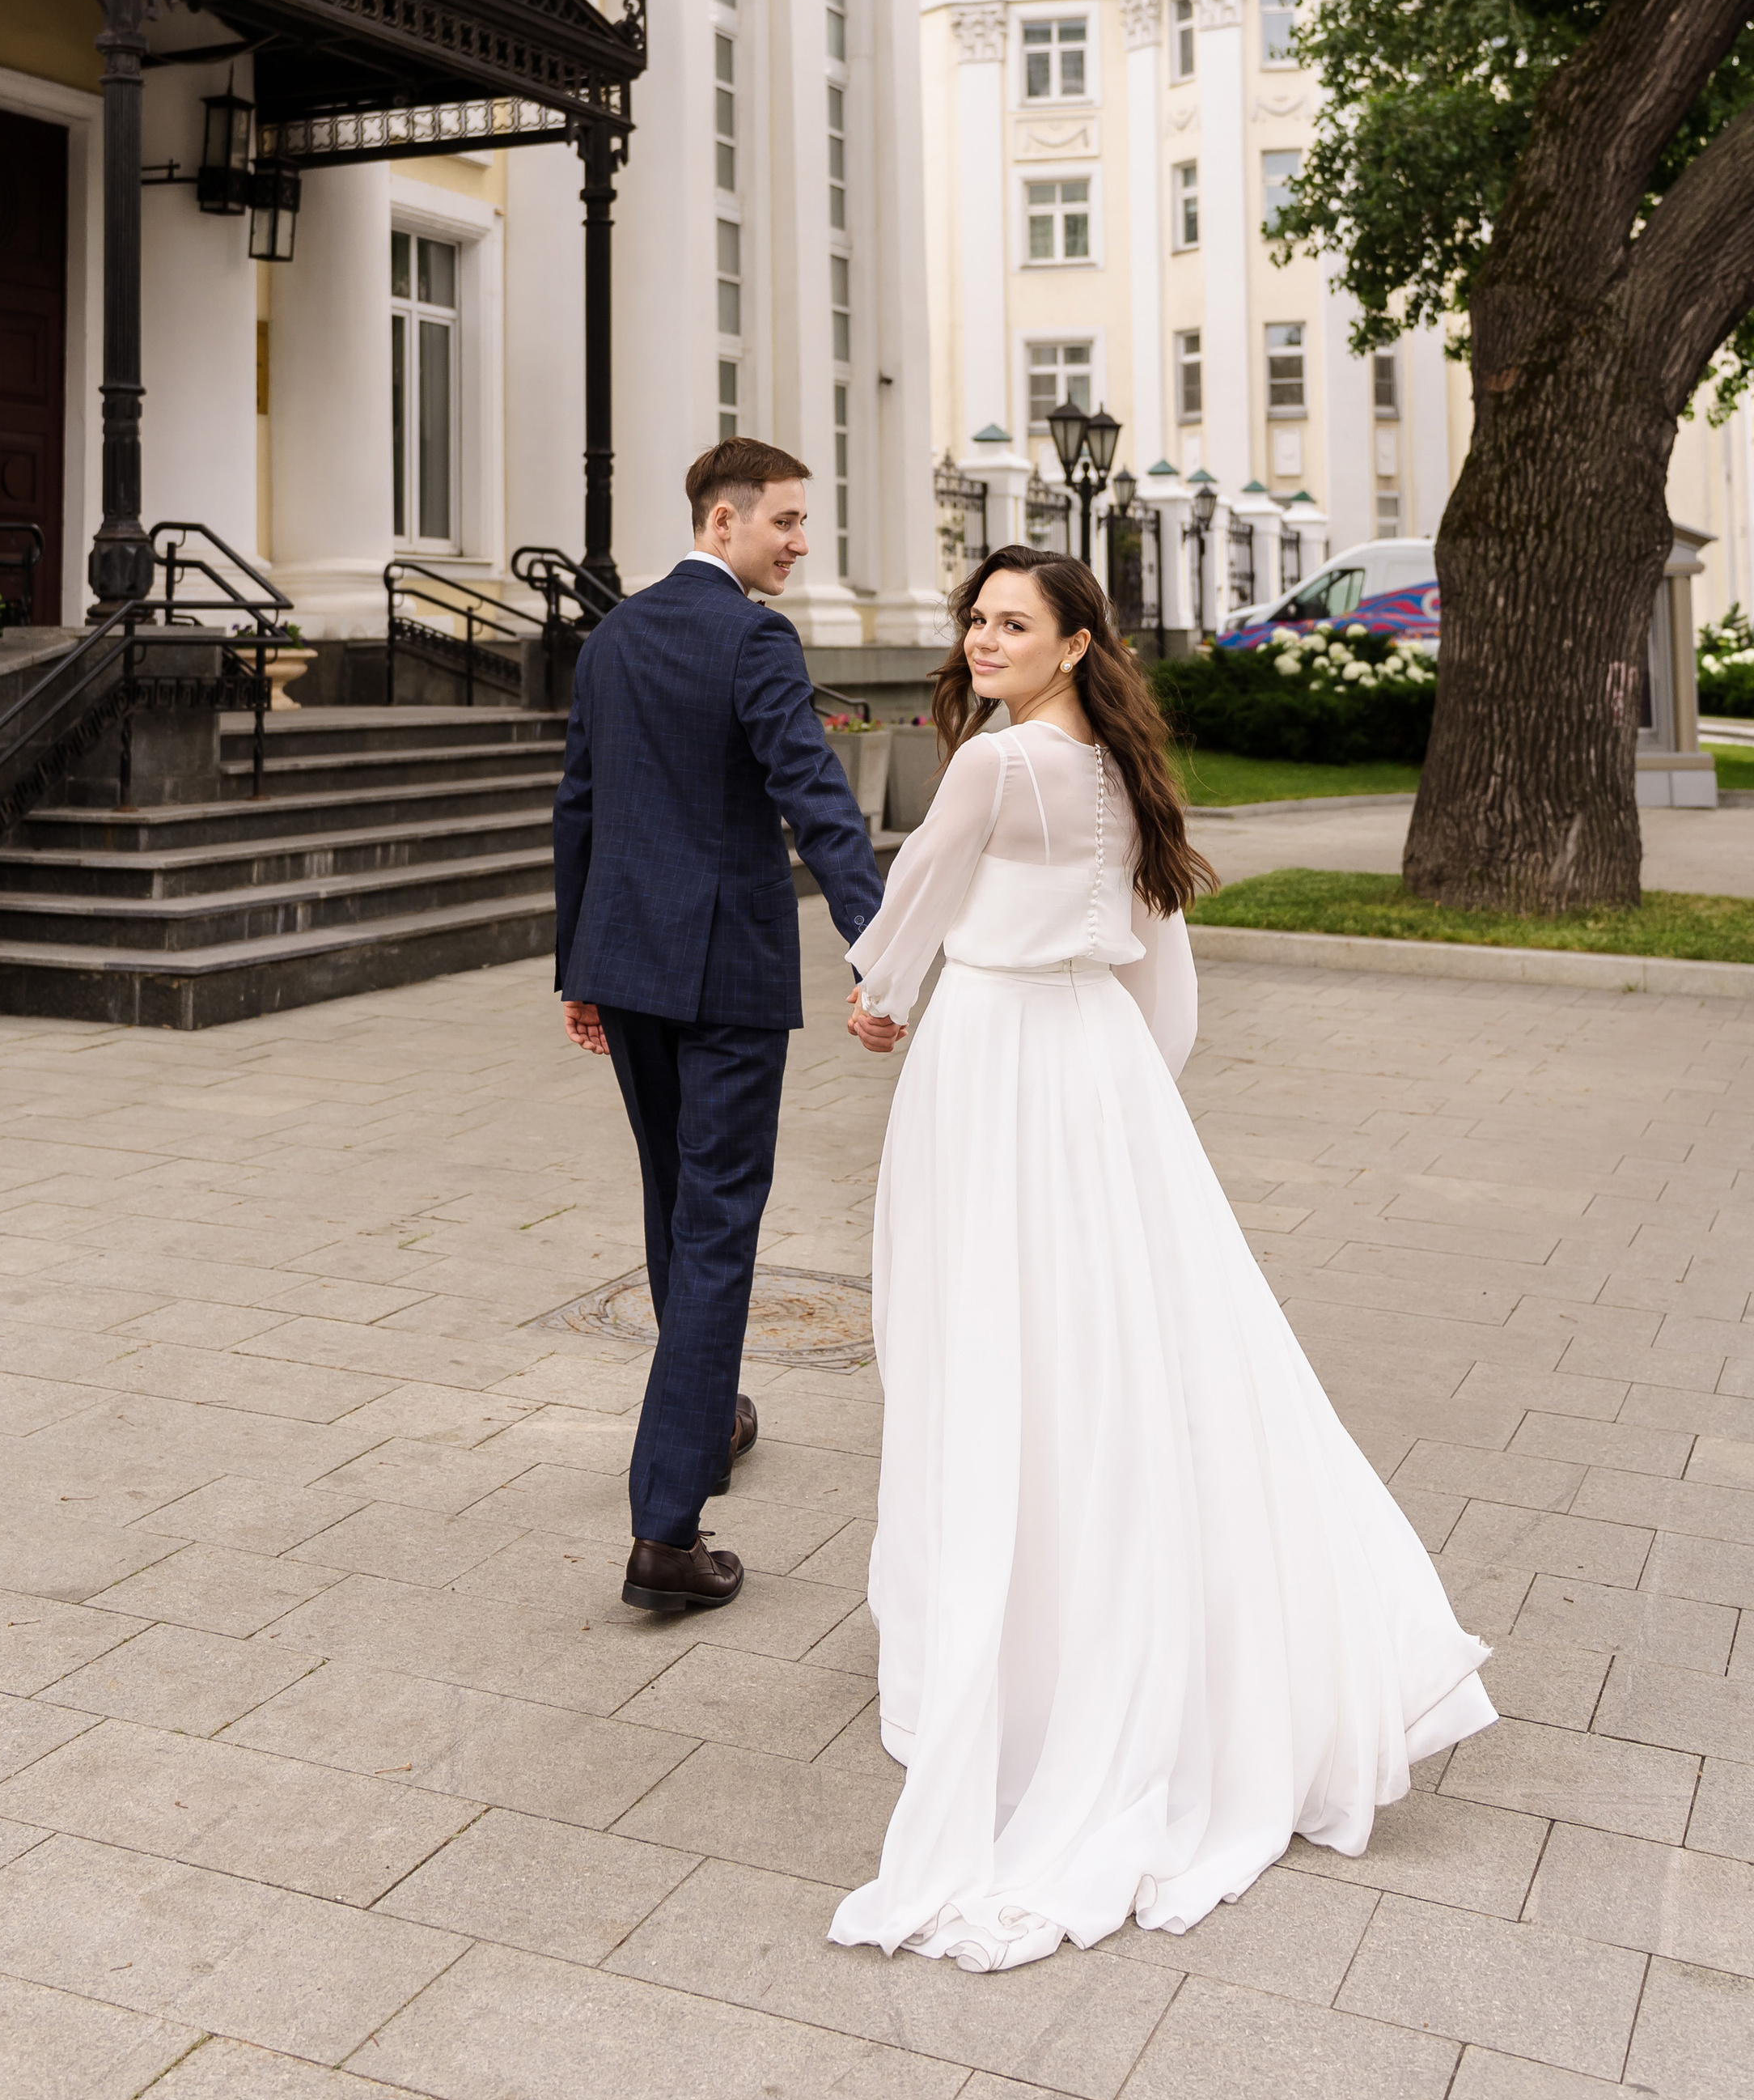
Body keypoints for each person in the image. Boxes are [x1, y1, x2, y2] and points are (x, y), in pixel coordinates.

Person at [830, 544, 1495, 1971]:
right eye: (977, 618)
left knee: (986, 1341)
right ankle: (1127, 1625)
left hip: (995, 1064)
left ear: (1074, 643)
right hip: (1101, 1075)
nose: (984, 638)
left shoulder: (995, 766)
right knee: (1129, 1352)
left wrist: (878, 998)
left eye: (1014, 623)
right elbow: (1162, 970)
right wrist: (1135, 1096)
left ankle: (1017, 1656)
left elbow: (911, 908)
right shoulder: (1126, 774)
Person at [554, 439, 885, 1618]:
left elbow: (579, 806)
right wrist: (880, 946)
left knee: (676, 1204)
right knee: (719, 1225)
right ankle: (666, 1529)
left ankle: (705, 1416)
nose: (800, 542)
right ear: (723, 520)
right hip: (726, 978)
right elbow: (816, 800)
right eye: (785, 521)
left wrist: (576, 968)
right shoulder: (754, 639)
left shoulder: (613, 635)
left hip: (626, 966)